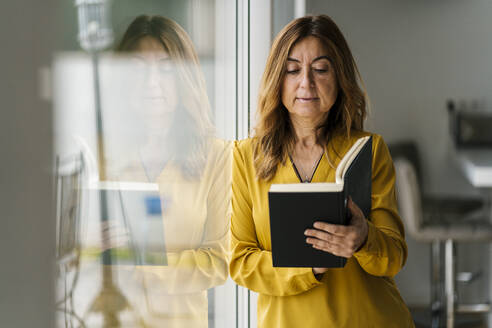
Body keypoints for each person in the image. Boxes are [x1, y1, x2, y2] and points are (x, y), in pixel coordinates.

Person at [229, 15, 414, 327]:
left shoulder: (369, 150)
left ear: (339, 77)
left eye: (320, 69)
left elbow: (393, 255)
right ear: (278, 78)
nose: (306, 83)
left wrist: (363, 239)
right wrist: (308, 268)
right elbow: (240, 262)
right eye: (292, 70)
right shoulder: (246, 158)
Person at [112, 15, 232, 328]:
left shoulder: (216, 157)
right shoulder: (103, 155)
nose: (152, 83)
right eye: (138, 70)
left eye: (166, 69)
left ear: (184, 77)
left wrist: (144, 272)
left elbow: (219, 261)